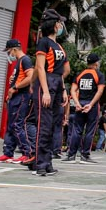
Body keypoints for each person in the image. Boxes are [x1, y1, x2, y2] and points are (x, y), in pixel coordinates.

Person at [31, 9, 70, 176]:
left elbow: (63, 70)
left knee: (53, 125)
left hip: (57, 82)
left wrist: (63, 90)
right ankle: (40, 163)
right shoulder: (43, 42)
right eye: (59, 22)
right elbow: (40, 67)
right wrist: (45, 91)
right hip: (46, 82)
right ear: (54, 25)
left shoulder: (59, 46)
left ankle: (47, 162)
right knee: (44, 125)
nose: (61, 26)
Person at [0, 39, 35, 164]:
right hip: (15, 97)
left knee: (17, 125)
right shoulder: (19, 62)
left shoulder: (25, 60)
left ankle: (27, 153)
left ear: (14, 49)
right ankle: (7, 153)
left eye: (9, 51)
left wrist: (15, 87)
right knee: (11, 126)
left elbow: (31, 77)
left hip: (21, 96)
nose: (9, 54)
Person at [68, 53, 105, 164]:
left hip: (81, 103)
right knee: (90, 131)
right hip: (92, 105)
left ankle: (71, 155)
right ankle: (85, 155)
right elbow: (100, 91)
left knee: (77, 130)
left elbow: (73, 90)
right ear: (96, 63)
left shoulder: (80, 74)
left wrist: (77, 103)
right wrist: (91, 104)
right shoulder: (99, 75)